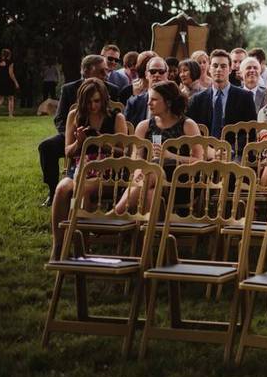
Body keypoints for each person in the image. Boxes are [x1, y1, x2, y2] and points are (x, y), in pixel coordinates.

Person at [49, 78, 127, 260]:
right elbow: (68, 151)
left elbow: (124, 151)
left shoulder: (116, 117)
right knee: (61, 189)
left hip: (107, 172)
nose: (93, 106)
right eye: (89, 102)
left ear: (104, 99)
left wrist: (102, 142)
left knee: (81, 188)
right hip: (78, 168)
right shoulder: (75, 116)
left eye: (97, 101)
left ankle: (82, 244)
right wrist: (80, 142)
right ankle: (59, 244)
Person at [38, 55, 119, 206]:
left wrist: (100, 139)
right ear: (87, 71)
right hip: (75, 132)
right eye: (101, 72)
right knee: (46, 146)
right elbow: (60, 118)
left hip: (106, 137)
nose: (105, 75)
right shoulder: (69, 89)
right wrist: (73, 133)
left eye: (106, 72)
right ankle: (52, 190)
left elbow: (117, 120)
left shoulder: (112, 90)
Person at [116, 81, 201, 216]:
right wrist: (138, 170)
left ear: (168, 102)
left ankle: (116, 213)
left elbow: (199, 161)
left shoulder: (187, 125)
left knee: (154, 170)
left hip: (180, 181)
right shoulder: (144, 126)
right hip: (146, 179)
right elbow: (136, 156)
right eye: (149, 99)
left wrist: (170, 156)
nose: (149, 103)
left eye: (154, 100)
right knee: (151, 192)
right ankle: (148, 235)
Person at [186, 49, 257, 138]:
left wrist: (231, 150)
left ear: (230, 69)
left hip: (234, 149)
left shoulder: (245, 97)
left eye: (223, 66)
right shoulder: (197, 100)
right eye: (215, 66)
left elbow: (251, 131)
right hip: (205, 149)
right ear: (209, 69)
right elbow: (191, 132)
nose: (219, 69)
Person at [124, 56, 170, 126]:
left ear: (167, 74)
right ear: (146, 74)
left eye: (161, 72)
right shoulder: (134, 103)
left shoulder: (175, 101)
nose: (157, 75)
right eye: (152, 71)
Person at [0, 48, 19, 116]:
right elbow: (11, 73)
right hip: (8, 82)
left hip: (0, 81)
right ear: (8, 55)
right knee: (10, 98)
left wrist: (1, 78)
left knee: (0, 99)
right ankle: (10, 115)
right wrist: (16, 82)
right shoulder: (10, 62)